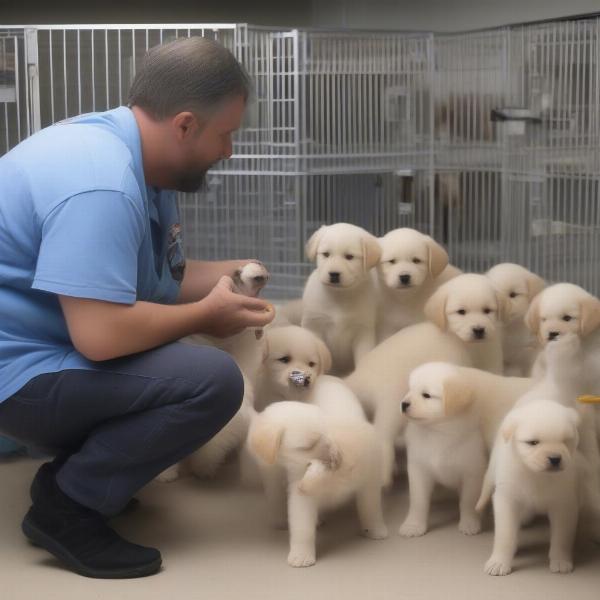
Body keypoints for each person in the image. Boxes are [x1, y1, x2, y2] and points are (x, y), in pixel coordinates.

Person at [0, 36, 274, 579]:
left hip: (46, 345)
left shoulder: (139, 162)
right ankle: (67, 508)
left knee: (173, 346)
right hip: (18, 376)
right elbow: (102, 335)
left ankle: (81, 475)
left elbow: (155, 281)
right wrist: (208, 316)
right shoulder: (101, 184)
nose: (229, 151)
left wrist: (229, 274)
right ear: (186, 125)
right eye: (227, 135)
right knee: (212, 379)